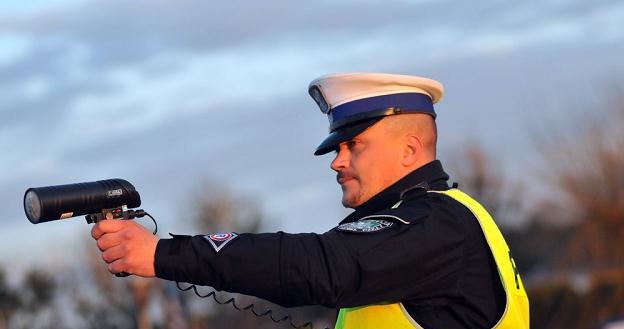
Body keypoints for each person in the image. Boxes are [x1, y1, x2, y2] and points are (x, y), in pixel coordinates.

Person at [92, 73, 529, 328]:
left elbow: (316, 267)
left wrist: (162, 254)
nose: (336, 163)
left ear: (410, 151)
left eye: (352, 146)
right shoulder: (440, 217)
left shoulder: (434, 223)